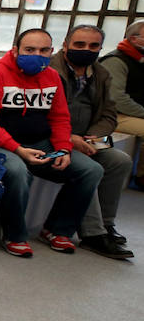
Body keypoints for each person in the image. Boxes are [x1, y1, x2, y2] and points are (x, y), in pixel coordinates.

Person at [0, 28, 104, 257]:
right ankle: (14, 234)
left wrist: (63, 148)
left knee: (90, 170)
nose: (37, 54)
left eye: (44, 50)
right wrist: (17, 150)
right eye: (30, 50)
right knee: (17, 170)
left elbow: (60, 118)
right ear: (16, 51)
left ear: (53, 52)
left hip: (36, 142)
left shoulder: (52, 77)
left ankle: (57, 230)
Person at [48, 25, 133, 259]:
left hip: (86, 137)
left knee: (120, 160)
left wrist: (92, 137)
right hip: (55, 138)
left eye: (94, 46)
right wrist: (69, 139)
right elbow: (39, 114)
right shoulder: (48, 71)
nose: (87, 50)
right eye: (79, 45)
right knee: (90, 168)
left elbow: (109, 115)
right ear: (65, 46)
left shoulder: (102, 74)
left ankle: (106, 224)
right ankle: (93, 234)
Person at [98, 19, 144, 188]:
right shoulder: (116, 61)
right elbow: (117, 100)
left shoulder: (139, 59)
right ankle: (142, 177)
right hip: (114, 114)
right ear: (134, 39)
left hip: (131, 111)